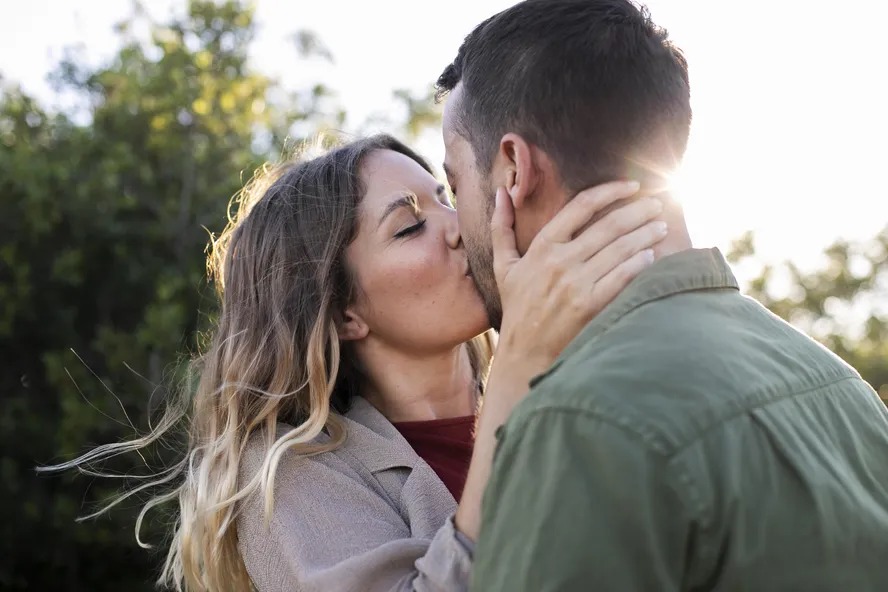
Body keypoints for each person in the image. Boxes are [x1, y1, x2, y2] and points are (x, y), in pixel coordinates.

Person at [42, 133, 667, 591]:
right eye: (409, 227)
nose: (458, 227)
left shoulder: (569, 393)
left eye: (448, 198)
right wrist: (518, 367)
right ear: (345, 313)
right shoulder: (291, 474)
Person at [435, 0, 888, 590]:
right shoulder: (838, 383)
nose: (452, 225)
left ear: (515, 169)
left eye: (455, 185)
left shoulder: (581, 418)